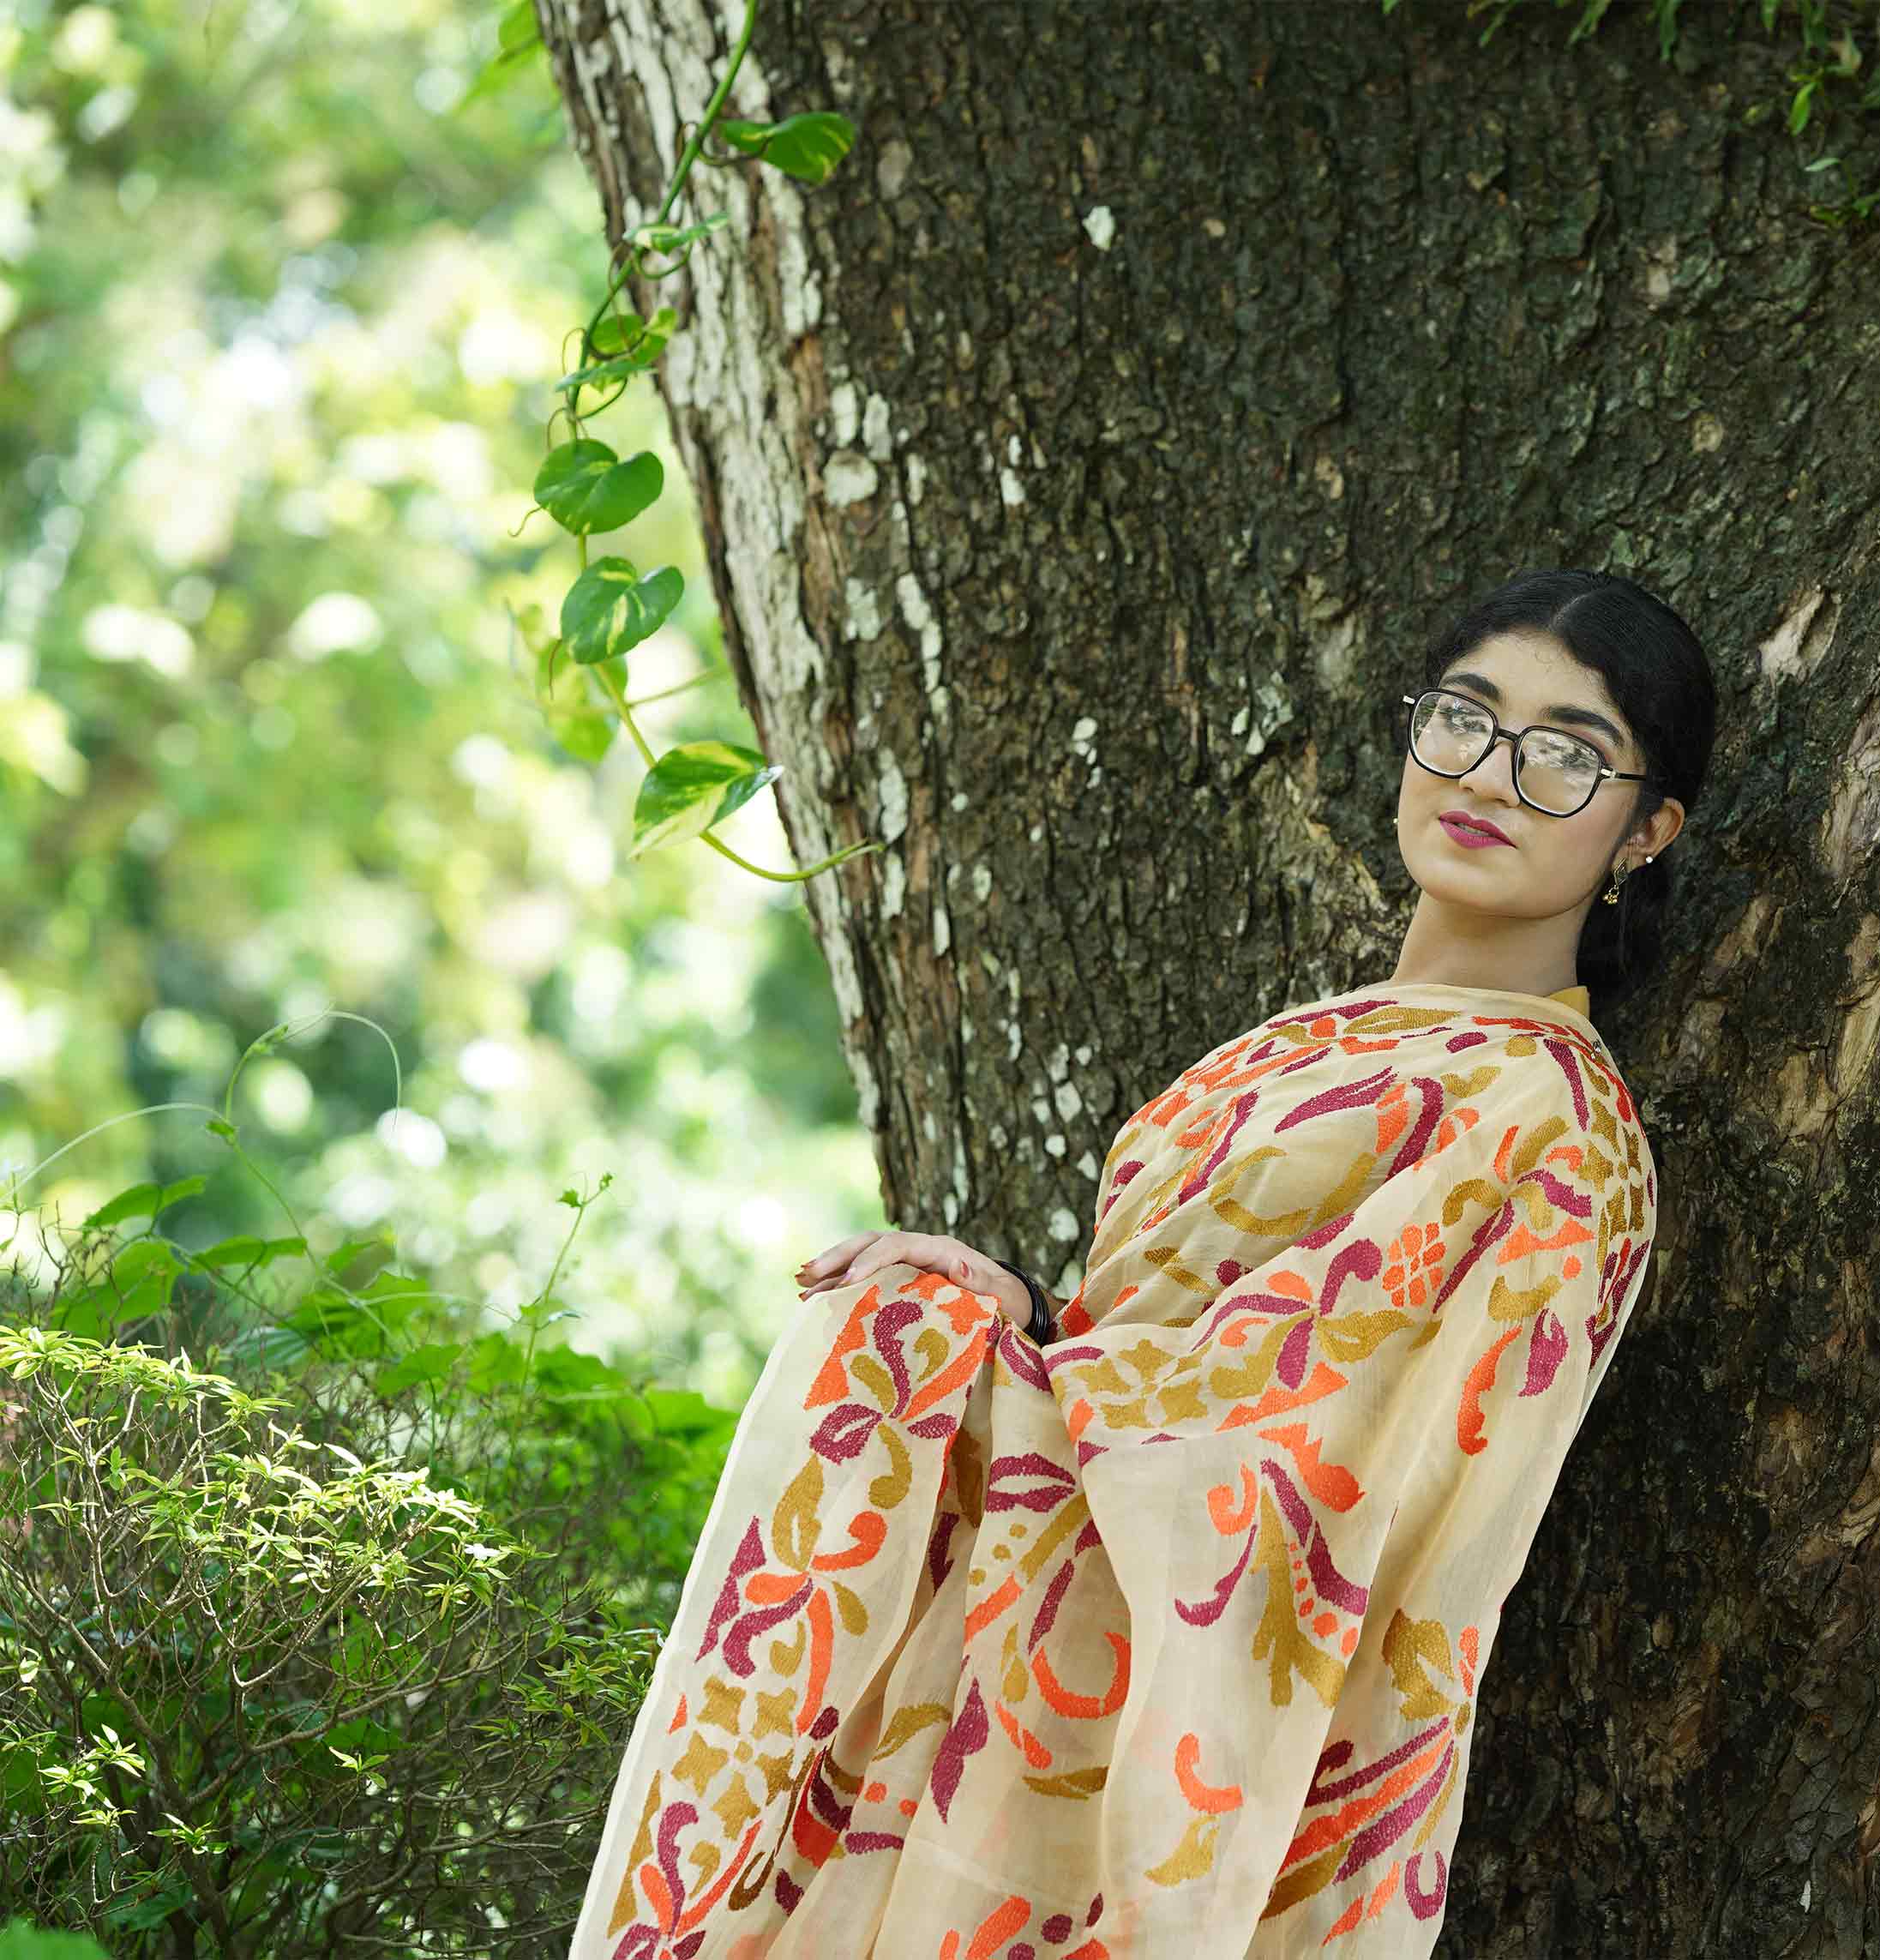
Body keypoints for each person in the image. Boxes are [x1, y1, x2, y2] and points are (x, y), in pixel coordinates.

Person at [572, 568, 1718, 1958]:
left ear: (1644, 828)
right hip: (1018, 1639)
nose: (1489, 774)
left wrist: (1013, 1380)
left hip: (1168, 1713)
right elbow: (1177, 1347)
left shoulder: (1554, 1127)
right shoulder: (1292, 1047)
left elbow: (1342, 1465)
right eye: (1463, 719)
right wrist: (1001, 1325)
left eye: (1565, 754)